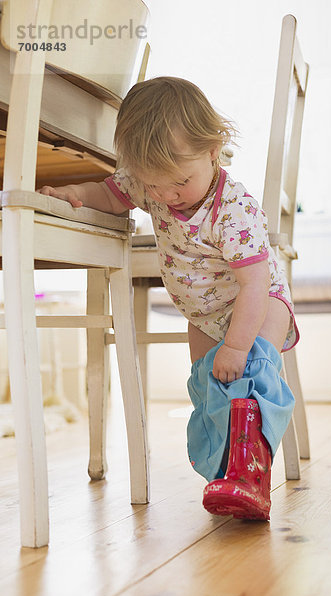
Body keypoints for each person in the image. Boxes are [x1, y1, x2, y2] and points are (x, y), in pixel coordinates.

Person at [38, 76, 299, 521]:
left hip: (257, 299)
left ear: (213, 152)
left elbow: (254, 284)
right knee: (207, 385)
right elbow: (109, 193)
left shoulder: (233, 209)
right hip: (202, 311)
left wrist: (236, 344)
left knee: (252, 371)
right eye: (152, 186)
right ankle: (227, 470)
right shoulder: (150, 182)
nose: (164, 195)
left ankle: (252, 473)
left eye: (179, 182)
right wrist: (74, 194)